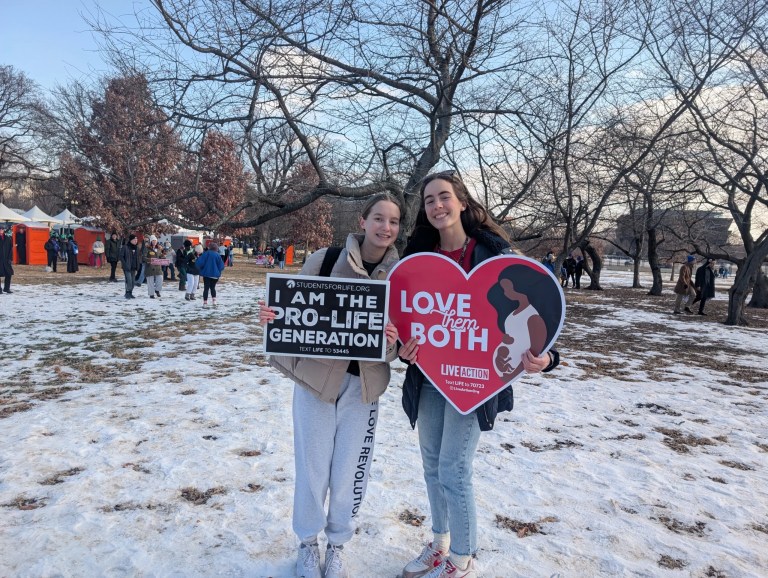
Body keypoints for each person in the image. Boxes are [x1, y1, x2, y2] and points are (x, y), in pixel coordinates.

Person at [397, 171, 559, 578]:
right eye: (429, 200)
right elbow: (403, 320)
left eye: (444, 196)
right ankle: (440, 544)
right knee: (432, 465)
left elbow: (542, 310)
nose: (437, 205)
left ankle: (462, 560)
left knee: (453, 469)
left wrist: (548, 357)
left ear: (462, 202)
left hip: (474, 382)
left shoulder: (495, 255)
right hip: (429, 377)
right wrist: (402, 349)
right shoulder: (418, 258)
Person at [258, 193, 403, 578]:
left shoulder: (401, 276)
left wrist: (391, 341)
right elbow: (290, 312)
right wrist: (272, 316)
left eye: (393, 221)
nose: (385, 227)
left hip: (363, 390)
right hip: (315, 385)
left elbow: (399, 347)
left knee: (350, 472)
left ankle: (337, 545)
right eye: (378, 218)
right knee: (312, 469)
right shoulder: (324, 260)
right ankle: (307, 543)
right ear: (362, 221)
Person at [195, 241, 225, 306]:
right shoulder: (218, 255)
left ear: (209, 247)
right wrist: (218, 271)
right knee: (213, 288)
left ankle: (205, 302)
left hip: (207, 274)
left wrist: (201, 268)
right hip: (215, 275)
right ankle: (214, 301)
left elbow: (199, 263)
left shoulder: (206, 254)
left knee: (206, 288)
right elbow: (221, 266)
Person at [119, 234, 140, 299]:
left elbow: (138, 257)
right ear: (131, 240)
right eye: (134, 239)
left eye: (136, 239)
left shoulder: (137, 248)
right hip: (127, 267)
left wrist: (138, 265)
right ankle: (127, 292)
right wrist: (124, 264)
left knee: (133, 281)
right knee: (129, 280)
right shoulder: (125, 247)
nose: (136, 241)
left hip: (133, 267)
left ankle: (130, 293)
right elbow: (121, 256)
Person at [0, 226, 14, 294]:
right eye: (0, 229)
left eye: (2, 229)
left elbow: (10, 249)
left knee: (9, 274)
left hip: (6, 260)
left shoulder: (8, 238)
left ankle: (6, 288)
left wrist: (10, 258)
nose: (1, 230)